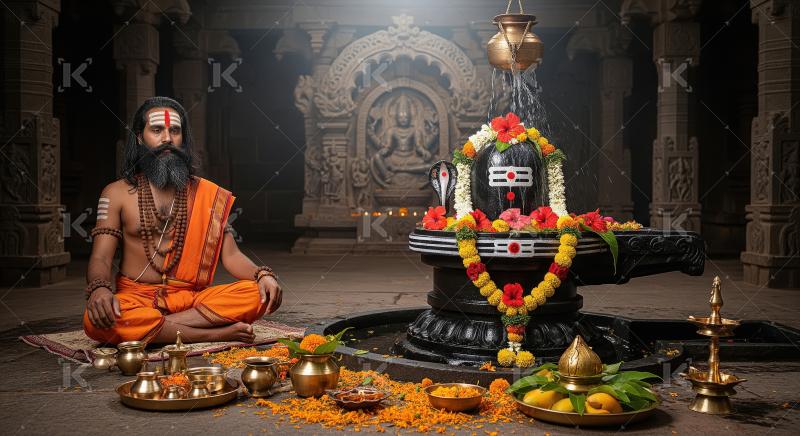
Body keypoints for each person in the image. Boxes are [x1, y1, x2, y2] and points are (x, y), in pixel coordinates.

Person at [83, 96, 282, 345]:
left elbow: (231, 256)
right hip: (136, 297)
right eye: (157, 130)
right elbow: (101, 257)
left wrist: (263, 274)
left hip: (190, 299)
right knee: (95, 321)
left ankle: (156, 330)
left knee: (257, 295)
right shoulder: (116, 193)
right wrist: (100, 289)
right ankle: (215, 334)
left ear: (183, 138)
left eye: (175, 130)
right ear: (139, 137)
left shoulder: (207, 194)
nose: (167, 138)